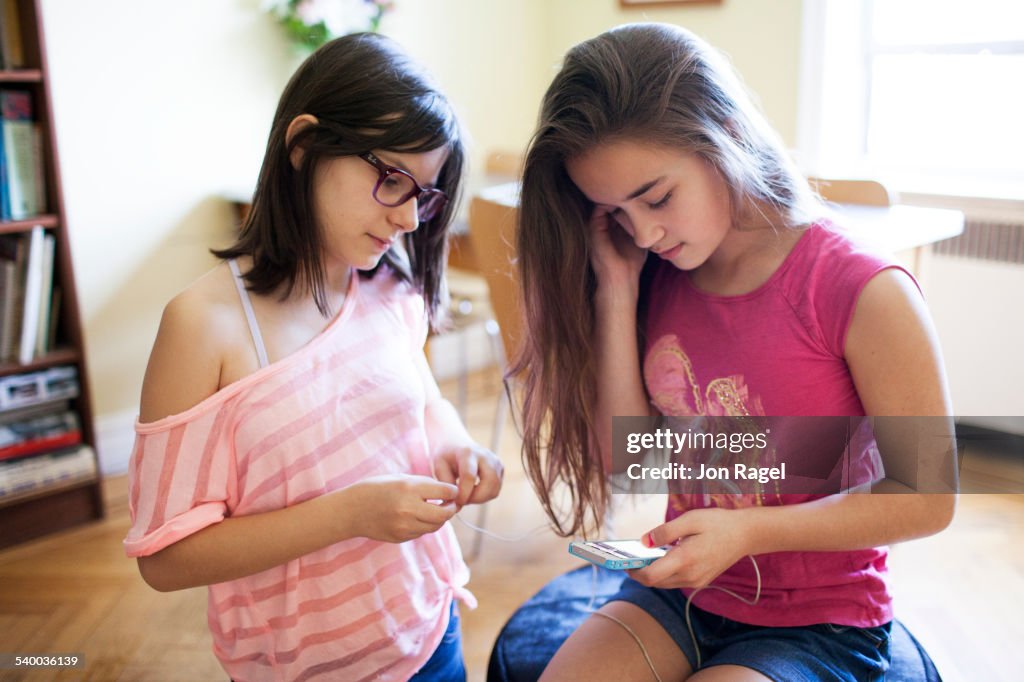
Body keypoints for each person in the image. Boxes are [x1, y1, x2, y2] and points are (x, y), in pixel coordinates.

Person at [512, 23, 955, 682]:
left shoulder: (861, 289)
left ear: (728, 133)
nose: (645, 231)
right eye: (616, 213)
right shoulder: (655, 272)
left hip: (821, 620)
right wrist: (616, 289)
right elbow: (630, 461)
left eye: (657, 197)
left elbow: (928, 497)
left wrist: (749, 533)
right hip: (681, 597)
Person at [123, 33, 502, 682]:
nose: (411, 219)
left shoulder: (390, 281)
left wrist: (457, 442)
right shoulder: (204, 326)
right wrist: (351, 515)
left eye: (426, 194)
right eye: (391, 180)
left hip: (429, 632)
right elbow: (166, 560)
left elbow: (424, 399)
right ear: (303, 147)